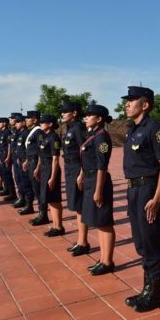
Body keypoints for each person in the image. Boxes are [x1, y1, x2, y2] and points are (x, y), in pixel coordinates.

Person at [122, 86, 160, 312]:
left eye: (132, 100)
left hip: (148, 190)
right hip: (134, 190)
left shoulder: (154, 128)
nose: (127, 104)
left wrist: (157, 197)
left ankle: (155, 292)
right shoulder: (132, 129)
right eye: (127, 100)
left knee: (151, 242)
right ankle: (147, 289)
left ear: (145, 105)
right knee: (141, 241)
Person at [79, 104, 115, 275]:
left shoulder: (101, 138)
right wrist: (82, 176)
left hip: (98, 181)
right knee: (98, 222)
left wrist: (98, 190)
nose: (85, 118)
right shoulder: (93, 136)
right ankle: (102, 259)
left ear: (99, 119)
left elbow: (102, 165)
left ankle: (107, 262)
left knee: (104, 222)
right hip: (90, 179)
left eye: (89, 116)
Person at [61, 101, 89, 255]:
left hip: (77, 168)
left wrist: (81, 173)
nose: (63, 114)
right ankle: (80, 240)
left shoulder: (78, 128)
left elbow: (84, 151)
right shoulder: (70, 128)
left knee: (79, 206)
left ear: (74, 113)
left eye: (66, 111)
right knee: (76, 206)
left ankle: (83, 242)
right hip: (70, 168)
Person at [37, 114, 64, 237]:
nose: (41, 124)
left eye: (43, 122)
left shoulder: (54, 137)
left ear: (50, 124)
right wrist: (38, 168)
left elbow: (55, 159)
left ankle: (58, 226)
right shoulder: (44, 136)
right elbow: (41, 155)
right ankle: (55, 225)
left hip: (51, 169)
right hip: (44, 168)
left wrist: (53, 177)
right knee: (50, 199)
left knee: (54, 198)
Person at [23, 111, 48, 225]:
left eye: (28, 118)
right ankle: (40, 213)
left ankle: (43, 215)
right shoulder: (32, 132)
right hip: (31, 161)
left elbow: (41, 151)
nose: (26, 120)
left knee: (38, 189)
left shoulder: (38, 132)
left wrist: (38, 167)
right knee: (34, 188)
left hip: (36, 163)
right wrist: (27, 161)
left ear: (34, 120)